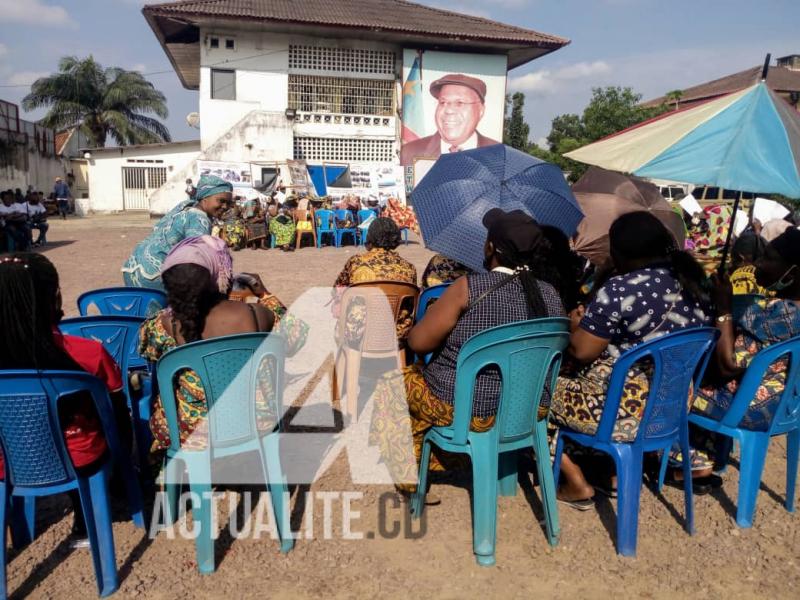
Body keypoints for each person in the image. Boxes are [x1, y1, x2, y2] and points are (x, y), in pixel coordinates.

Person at [369, 209, 564, 495]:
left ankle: (409, 471)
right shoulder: (549, 293)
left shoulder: (468, 288)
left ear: (490, 248)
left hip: (465, 409)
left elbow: (419, 343)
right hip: (527, 410)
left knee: (392, 384)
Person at [549, 212, 710, 509]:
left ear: (618, 252)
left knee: (539, 391)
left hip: (622, 413)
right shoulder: (694, 283)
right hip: (671, 408)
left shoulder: (619, 289)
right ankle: (611, 472)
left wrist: (574, 325)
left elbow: (582, 351)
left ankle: (574, 479)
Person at [0, 253, 131, 547]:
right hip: (78, 458)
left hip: (8, 461)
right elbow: (117, 412)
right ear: (54, 297)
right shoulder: (87, 352)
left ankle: (14, 527)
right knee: (113, 416)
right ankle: (98, 507)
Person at [139, 236, 278, 453]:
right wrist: (264, 294)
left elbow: (149, 356)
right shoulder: (256, 314)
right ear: (218, 276)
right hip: (253, 423)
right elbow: (296, 337)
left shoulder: (160, 326)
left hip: (190, 433)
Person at [688, 229, 800, 471]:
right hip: (788, 406)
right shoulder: (788, 307)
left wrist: (723, 308)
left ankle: (689, 461)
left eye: (769, 258)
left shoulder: (777, 313)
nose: (758, 263)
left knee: (677, 385)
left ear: (794, 272)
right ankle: (710, 450)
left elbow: (728, 365)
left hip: (749, 409)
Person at [121, 174, 232, 290]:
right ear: (205, 199)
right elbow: (198, 255)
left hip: (131, 269)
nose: (225, 206)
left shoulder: (184, 209)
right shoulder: (199, 218)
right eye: (221, 201)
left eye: (229, 203)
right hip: (154, 274)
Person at [333, 218, 417, 347]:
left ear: (370, 236)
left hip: (358, 333)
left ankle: (347, 360)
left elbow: (337, 290)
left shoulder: (356, 262)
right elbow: (411, 304)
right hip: (396, 334)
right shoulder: (409, 268)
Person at [400, 74, 500, 166]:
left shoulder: (500, 155)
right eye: (443, 102)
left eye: (460, 103)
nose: (449, 110)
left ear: (481, 111)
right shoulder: (409, 153)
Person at [729, 231, 768, 295]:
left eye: (733, 262)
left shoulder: (741, 278)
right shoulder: (768, 276)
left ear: (741, 258)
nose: (730, 266)